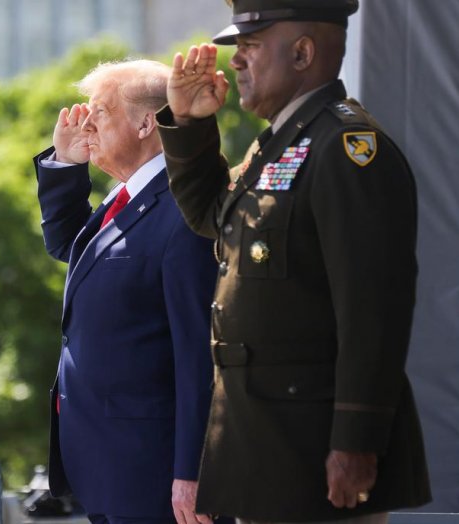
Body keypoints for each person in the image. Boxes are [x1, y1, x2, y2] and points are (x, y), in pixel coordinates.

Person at [155, 1, 432, 523]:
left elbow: (374, 310)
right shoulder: (280, 147)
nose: (236, 60)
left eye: (252, 45)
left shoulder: (347, 148)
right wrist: (190, 124)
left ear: (303, 52)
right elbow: (216, 218)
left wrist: (356, 440)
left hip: (317, 460)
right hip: (265, 450)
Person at [34, 59, 218, 524]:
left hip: (151, 472)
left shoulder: (182, 210)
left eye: (101, 111)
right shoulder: (128, 199)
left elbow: (198, 355)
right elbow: (71, 247)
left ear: (145, 123)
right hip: (106, 462)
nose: (88, 122)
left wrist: (192, 470)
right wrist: (65, 166)